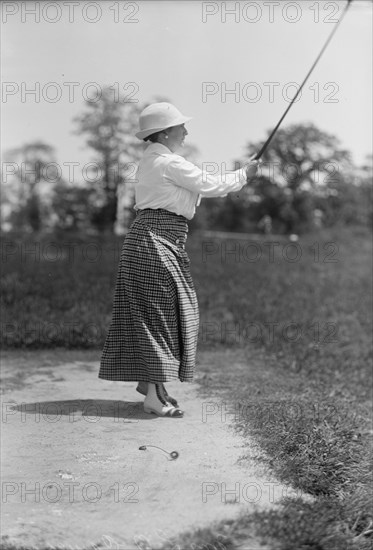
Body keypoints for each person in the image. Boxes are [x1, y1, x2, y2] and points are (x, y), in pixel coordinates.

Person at [99, 102, 260, 418]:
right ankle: (154, 397)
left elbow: (196, 187)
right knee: (160, 316)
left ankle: (153, 388)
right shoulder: (167, 162)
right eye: (180, 127)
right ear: (165, 132)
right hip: (154, 240)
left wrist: (241, 174)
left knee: (159, 314)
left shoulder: (155, 161)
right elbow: (210, 184)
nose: (185, 131)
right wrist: (244, 174)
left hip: (156, 239)